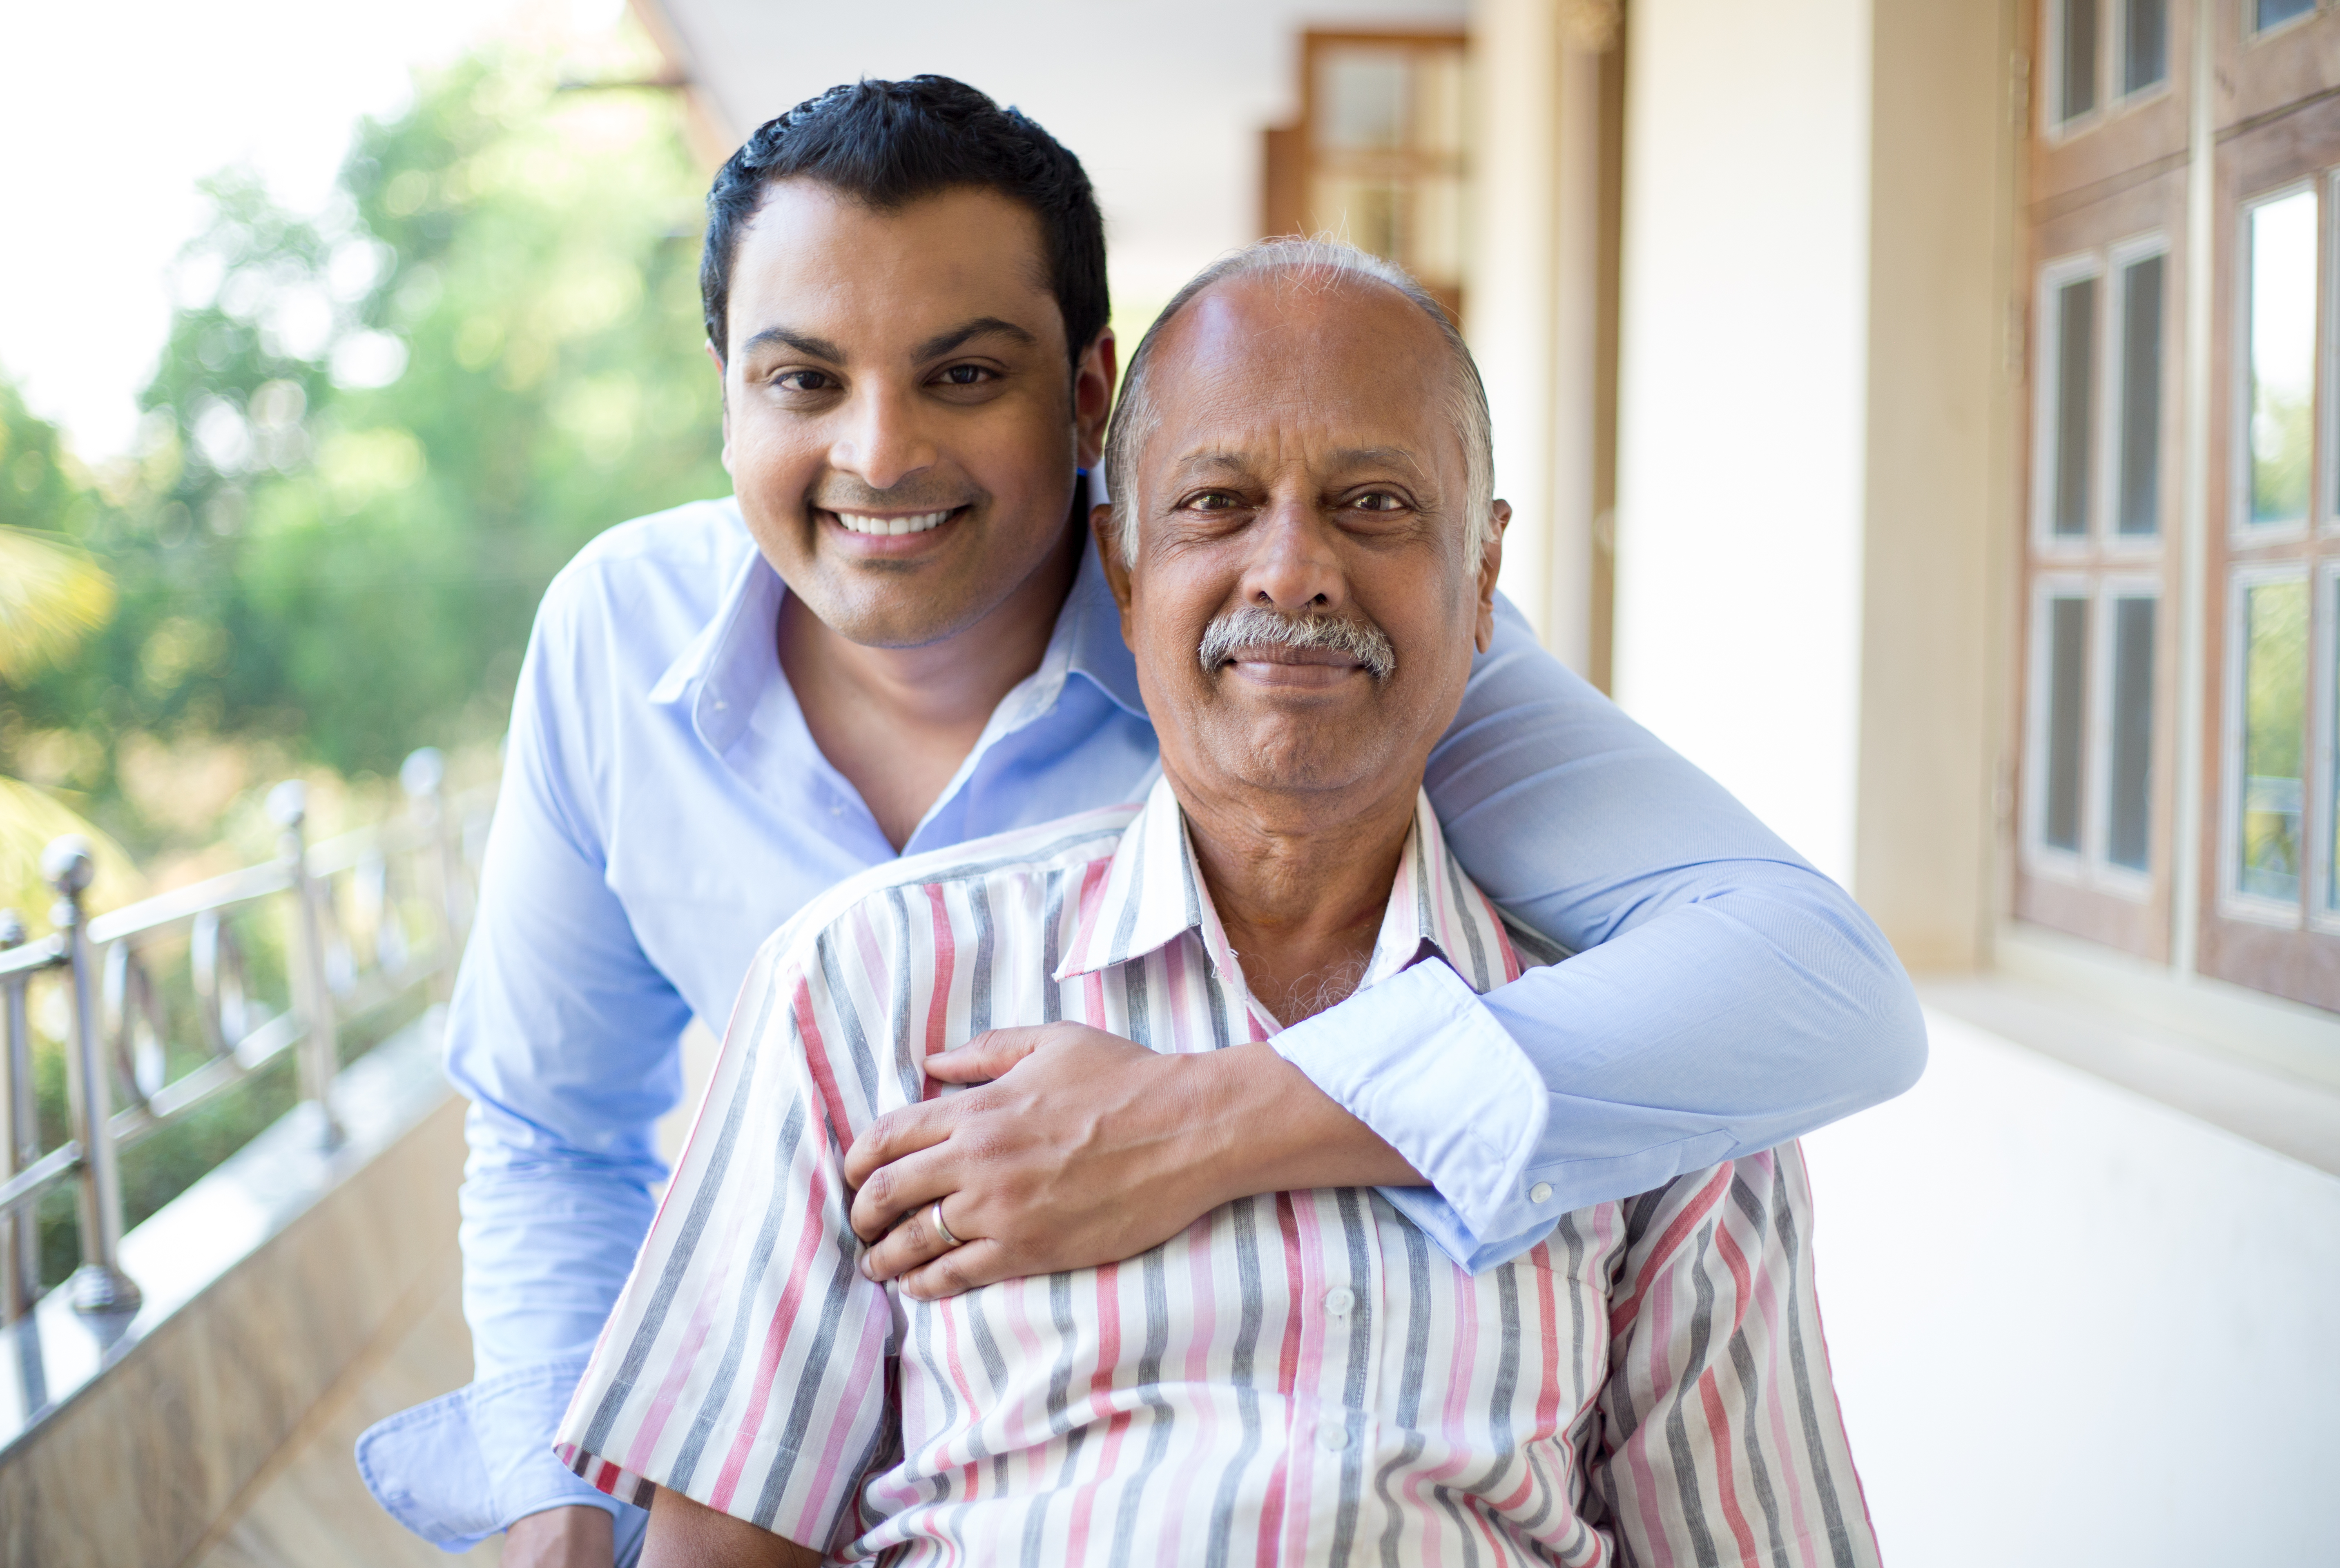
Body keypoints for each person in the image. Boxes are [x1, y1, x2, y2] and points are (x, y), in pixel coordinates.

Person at [355, 78, 1920, 1567]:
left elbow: (1811, 980)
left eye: (964, 373)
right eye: (805, 377)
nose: (881, 451)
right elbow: (556, 1129)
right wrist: (559, 1496)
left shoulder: (1311, 662)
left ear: (1086, 403)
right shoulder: (636, 666)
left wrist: (1199, 1121)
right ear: (727, 396)